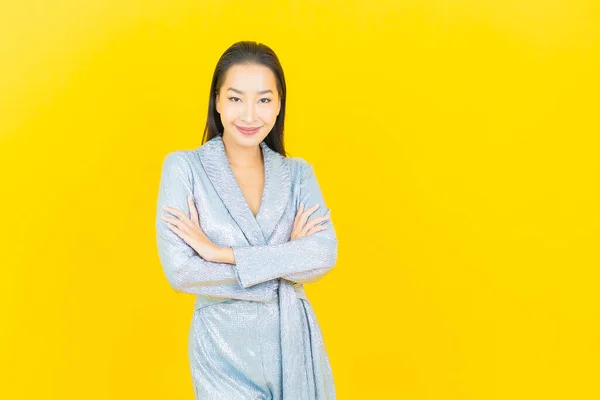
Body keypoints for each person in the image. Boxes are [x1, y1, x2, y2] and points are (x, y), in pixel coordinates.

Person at [155, 41, 338, 399]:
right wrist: (285, 263)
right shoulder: (185, 169)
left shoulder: (298, 174)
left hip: (294, 346)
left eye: (264, 100)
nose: (250, 115)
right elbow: (182, 272)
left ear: (280, 103)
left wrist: (222, 253)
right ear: (218, 101)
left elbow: (324, 253)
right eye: (236, 98)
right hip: (222, 350)